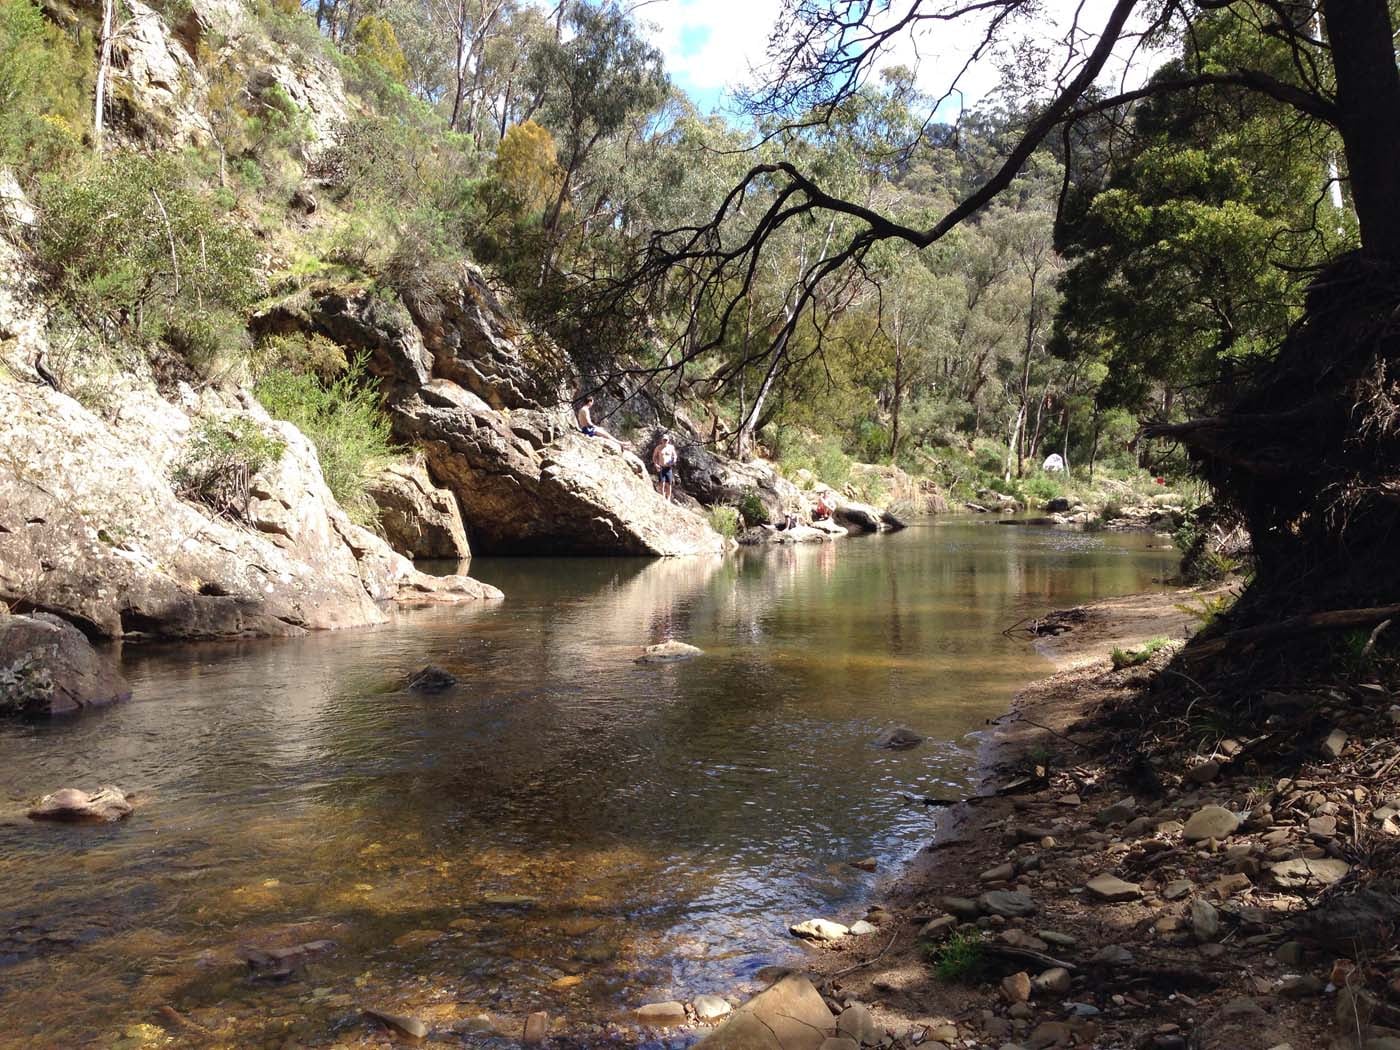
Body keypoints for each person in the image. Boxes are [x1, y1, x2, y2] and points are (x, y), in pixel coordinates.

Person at [652, 433, 677, 501]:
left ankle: (668, 499)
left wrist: (673, 461)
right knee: (662, 483)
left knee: (669, 484)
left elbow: (674, 456)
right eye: (664, 440)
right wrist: (656, 464)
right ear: (661, 440)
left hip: (668, 468)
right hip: (661, 467)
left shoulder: (671, 447)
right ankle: (662, 498)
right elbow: (654, 457)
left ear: (668, 440)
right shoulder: (658, 448)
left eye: (666, 440)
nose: (665, 441)